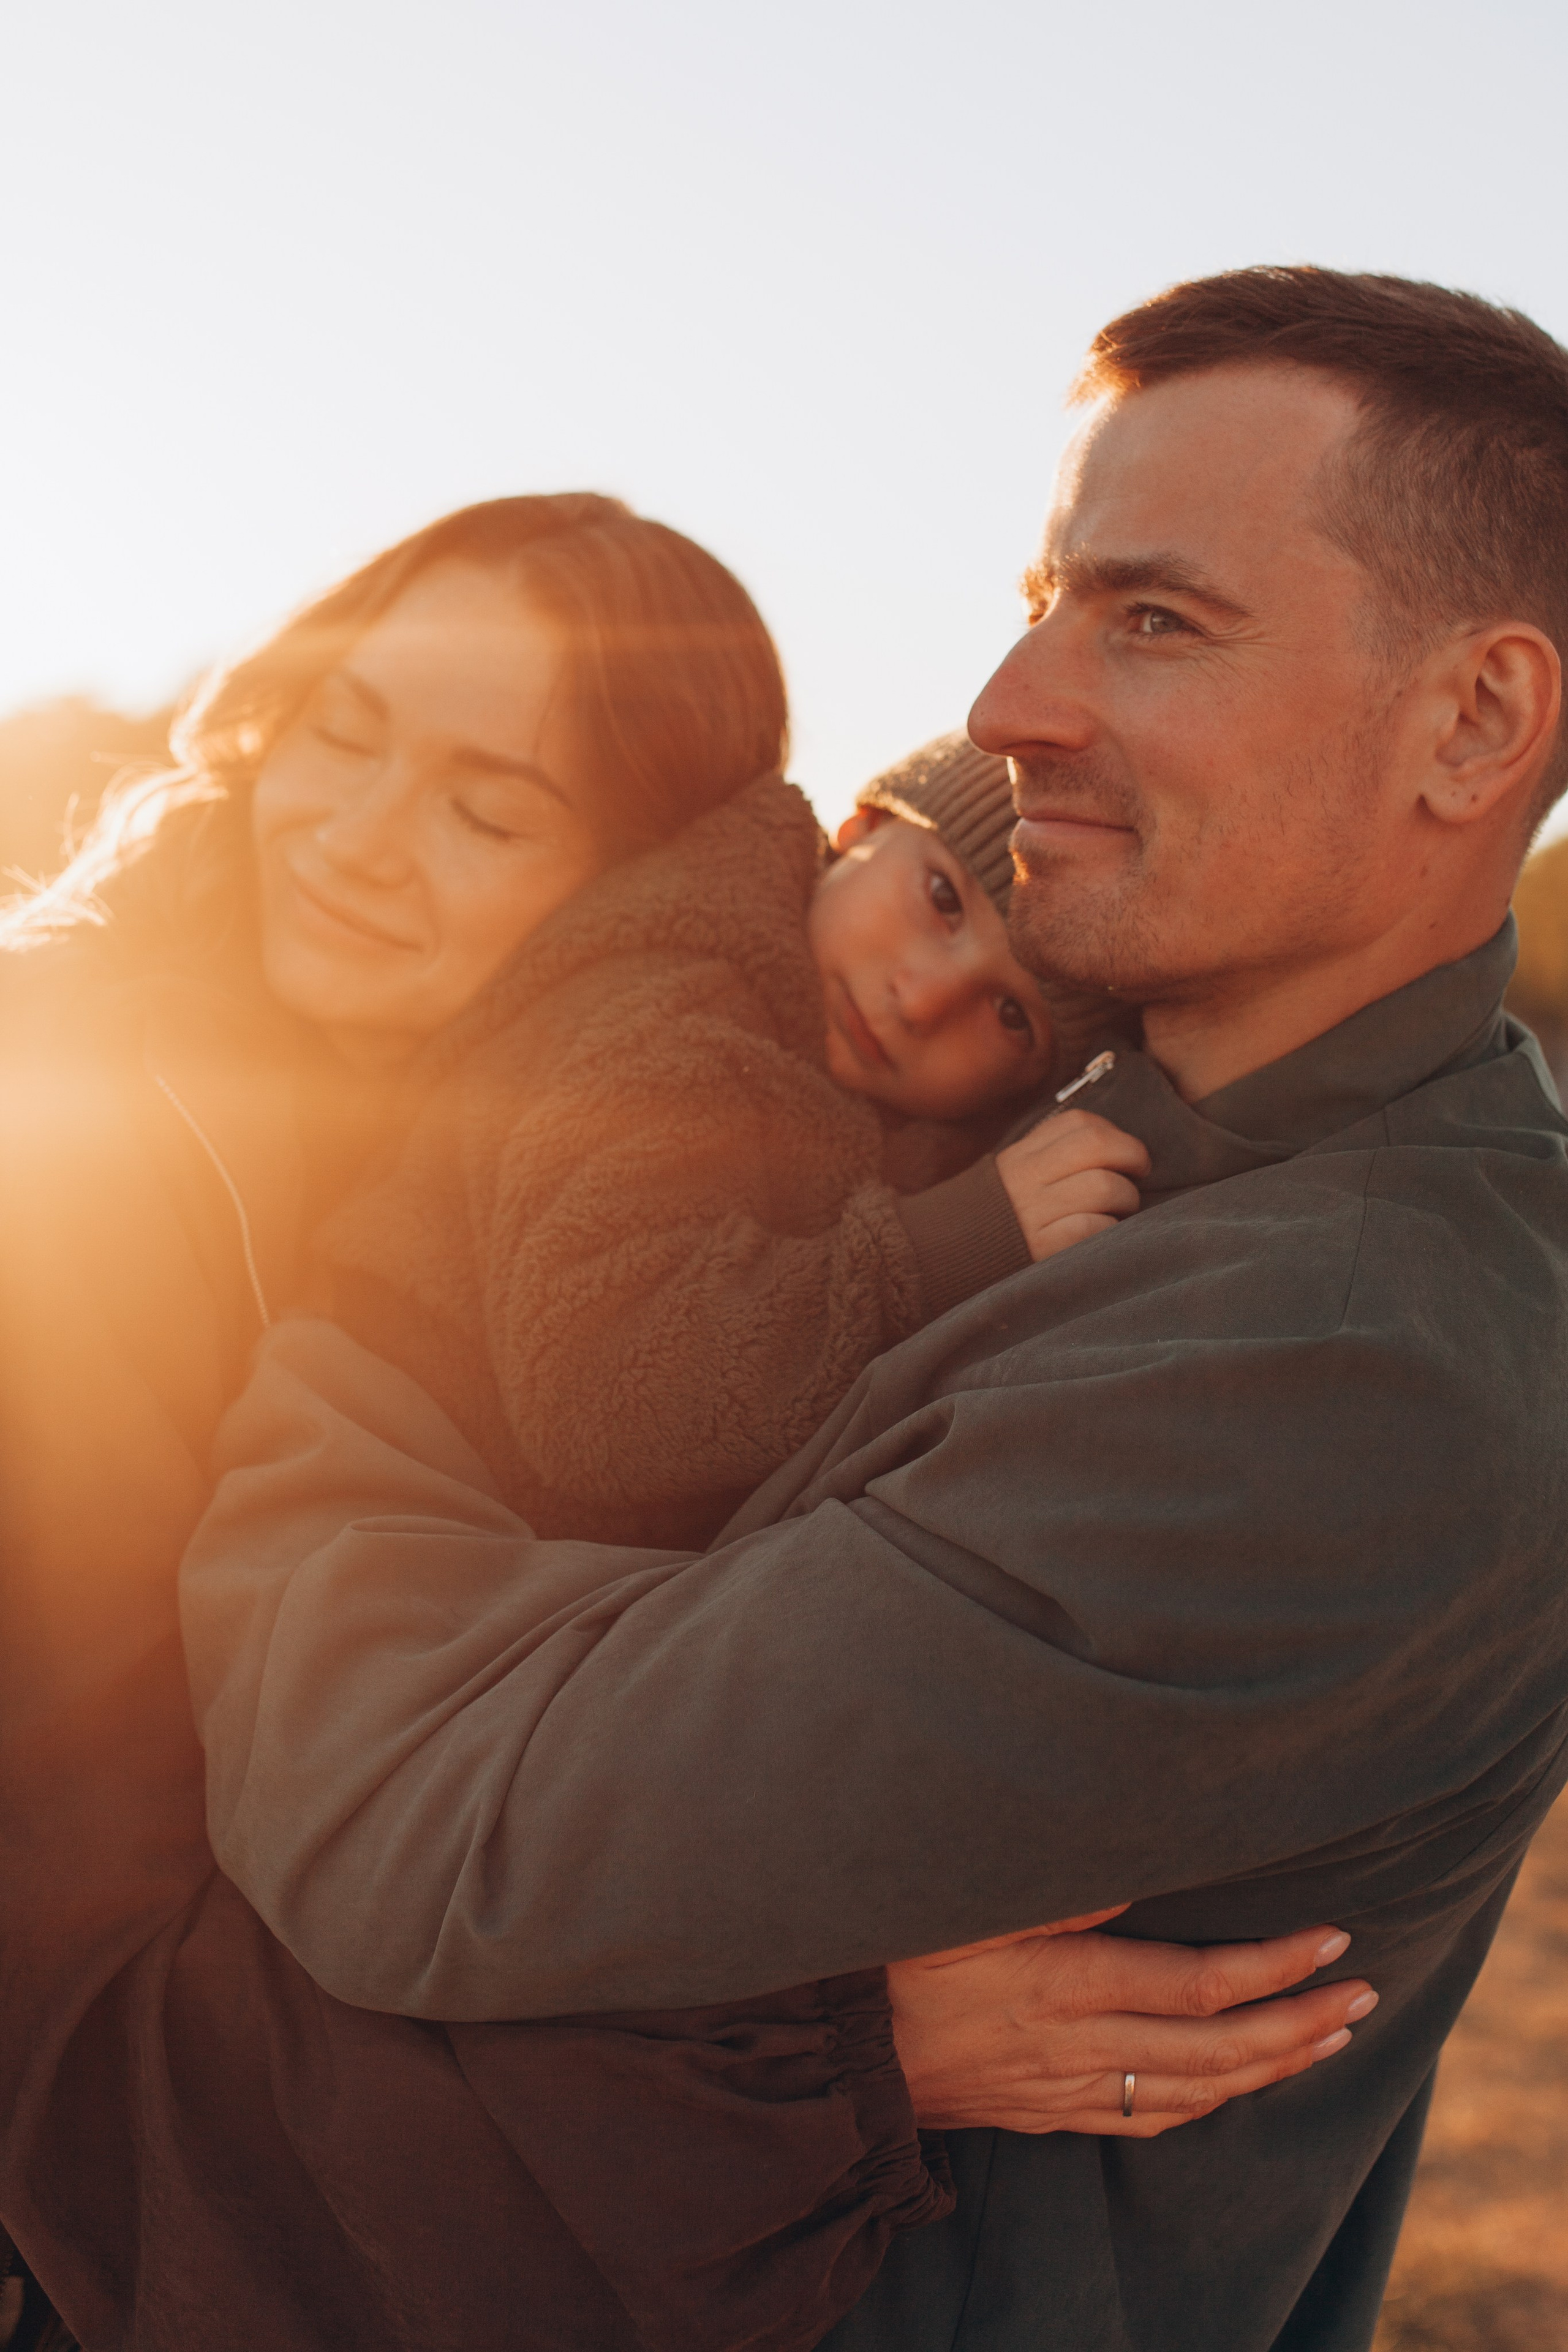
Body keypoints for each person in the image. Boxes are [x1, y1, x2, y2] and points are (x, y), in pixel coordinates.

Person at [184, 264, 1568, 2352]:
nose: (1015, 698)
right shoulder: (1124, 1139)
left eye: (1156, 619)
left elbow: (421, 1837)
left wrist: (369, 1339)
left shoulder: (1351, 1354)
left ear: (1474, 720)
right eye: (1043, 592)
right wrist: (837, 2024)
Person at [0, 494, 1357, 2352]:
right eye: (341, 735)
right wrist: (822, 2059)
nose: (360, 845)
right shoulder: (69, 1163)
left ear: (621, 877)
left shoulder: (502, 1147)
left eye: (486, 810)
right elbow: (86, 2026)